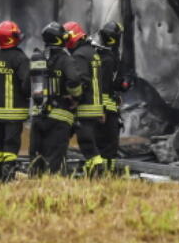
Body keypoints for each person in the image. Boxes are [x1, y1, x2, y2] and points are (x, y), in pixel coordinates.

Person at [29, 21, 84, 175]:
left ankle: (34, 191)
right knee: (55, 161)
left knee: (36, 160)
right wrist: (76, 96)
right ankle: (53, 190)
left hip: (38, 116)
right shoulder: (65, 59)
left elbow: (29, 85)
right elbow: (74, 80)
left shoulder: (37, 59)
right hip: (59, 117)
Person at [0, 20, 30, 182]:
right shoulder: (20, 59)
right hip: (14, 113)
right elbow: (27, 85)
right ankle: (8, 176)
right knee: (11, 143)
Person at [65, 21, 106, 177]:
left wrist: (74, 98)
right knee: (88, 140)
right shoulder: (92, 53)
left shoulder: (79, 55)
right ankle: (93, 171)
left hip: (85, 107)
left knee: (86, 141)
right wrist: (101, 108)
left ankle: (97, 170)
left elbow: (82, 80)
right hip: (95, 106)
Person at [94, 21, 131, 174]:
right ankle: (105, 174)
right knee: (108, 146)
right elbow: (102, 85)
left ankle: (105, 174)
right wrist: (101, 109)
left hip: (109, 109)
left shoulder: (106, 56)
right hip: (106, 112)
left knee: (108, 145)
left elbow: (111, 83)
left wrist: (122, 85)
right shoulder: (108, 59)